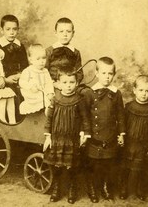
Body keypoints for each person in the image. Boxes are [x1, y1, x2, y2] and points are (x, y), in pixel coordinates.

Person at [43, 67, 91, 204]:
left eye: (71, 82)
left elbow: (85, 118)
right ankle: (57, 188)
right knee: (57, 166)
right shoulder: (55, 99)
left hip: (72, 139)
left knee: (72, 166)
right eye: (64, 82)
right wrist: (48, 136)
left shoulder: (79, 100)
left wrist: (84, 133)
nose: (68, 86)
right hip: (57, 138)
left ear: (76, 83)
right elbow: (49, 119)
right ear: (58, 83)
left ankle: (72, 188)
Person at [83, 57, 125, 203]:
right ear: (97, 73)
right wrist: (86, 132)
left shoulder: (116, 93)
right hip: (94, 136)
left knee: (109, 165)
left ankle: (106, 187)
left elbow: (120, 114)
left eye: (110, 73)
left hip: (110, 135)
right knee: (94, 165)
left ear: (113, 74)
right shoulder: (89, 93)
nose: (107, 77)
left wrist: (121, 133)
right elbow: (85, 116)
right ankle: (92, 188)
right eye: (104, 73)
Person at [119, 75, 148, 201]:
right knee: (125, 166)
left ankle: (139, 188)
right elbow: (122, 123)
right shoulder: (129, 106)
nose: (144, 94)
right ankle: (123, 188)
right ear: (134, 90)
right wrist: (121, 135)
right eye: (141, 90)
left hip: (142, 145)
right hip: (129, 143)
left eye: (147, 91)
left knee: (140, 168)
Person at [0, 14, 28, 124]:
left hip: (19, 78)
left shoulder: (20, 46)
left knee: (27, 92)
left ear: (18, 30)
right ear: (1, 30)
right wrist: (6, 79)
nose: (11, 32)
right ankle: (8, 124)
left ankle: (23, 126)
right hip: (4, 81)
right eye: (8, 29)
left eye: (14, 29)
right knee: (13, 95)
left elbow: (25, 65)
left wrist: (21, 75)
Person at [45, 17, 84, 87]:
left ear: (73, 33)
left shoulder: (75, 52)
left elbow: (79, 72)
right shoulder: (49, 51)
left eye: (68, 31)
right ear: (55, 33)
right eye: (61, 31)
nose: (65, 34)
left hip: (70, 86)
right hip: (53, 85)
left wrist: (74, 83)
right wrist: (53, 83)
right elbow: (44, 71)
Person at [19, 44, 54, 114]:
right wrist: (30, 87)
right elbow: (22, 82)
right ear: (31, 60)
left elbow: (49, 83)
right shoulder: (28, 71)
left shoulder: (45, 71)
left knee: (50, 98)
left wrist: (50, 92)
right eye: (38, 59)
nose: (42, 61)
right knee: (39, 97)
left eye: (44, 58)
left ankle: (47, 112)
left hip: (43, 92)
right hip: (32, 93)